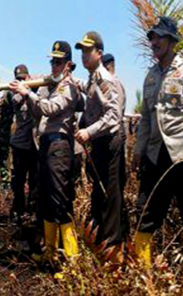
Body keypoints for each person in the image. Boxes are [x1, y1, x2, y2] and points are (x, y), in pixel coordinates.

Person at [132, 16, 183, 292]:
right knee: (145, 213)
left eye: (158, 38)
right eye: (151, 38)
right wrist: (138, 152)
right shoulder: (151, 76)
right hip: (156, 156)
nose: (153, 43)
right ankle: (143, 282)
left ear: (171, 41)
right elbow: (145, 118)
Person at [10, 40, 84, 264]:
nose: (54, 65)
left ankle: (72, 260)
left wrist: (28, 93)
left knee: (60, 202)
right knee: (46, 200)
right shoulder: (50, 86)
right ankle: (50, 253)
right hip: (46, 145)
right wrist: (26, 95)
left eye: (58, 62)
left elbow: (50, 109)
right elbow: (37, 113)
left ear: (68, 65)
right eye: (52, 61)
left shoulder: (69, 87)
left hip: (60, 146)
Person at [75, 32, 127, 258]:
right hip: (99, 143)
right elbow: (88, 91)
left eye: (88, 51)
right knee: (100, 193)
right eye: (82, 51)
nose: (84, 56)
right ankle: (101, 243)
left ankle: (114, 249)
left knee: (111, 196)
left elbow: (113, 117)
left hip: (109, 142)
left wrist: (88, 131)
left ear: (99, 53)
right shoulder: (93, 78)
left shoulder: (105, 79)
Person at [9, 64, 38, 221]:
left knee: (35, 180)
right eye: (18, 79)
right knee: (18, 180)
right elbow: (20, 98)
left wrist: (32, 85)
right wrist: (24, 88)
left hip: (35, 145)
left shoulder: (36, 90)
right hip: (20, 144)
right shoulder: (15, 95)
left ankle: (32, 210)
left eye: (23, 78)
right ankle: (18, 209)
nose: (21, 81)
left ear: (28, 76)